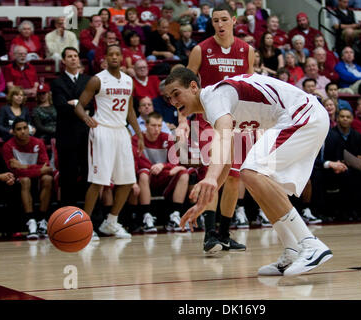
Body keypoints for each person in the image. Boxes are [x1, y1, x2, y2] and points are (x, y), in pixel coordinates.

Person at [166, 68, 333, 276]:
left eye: (176, 94)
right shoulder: (213, 110)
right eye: (169, 98)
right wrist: (204, 202)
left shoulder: (215, 96)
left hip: (301, 115)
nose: (173, 101)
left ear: (193, 87)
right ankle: (292, 249)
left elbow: (224, 138)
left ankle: (310, 244)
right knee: (255, 181)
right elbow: (227, 160)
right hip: (300, 117)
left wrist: (209, 177)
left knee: (250, 172)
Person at [183, 3, 254, 253]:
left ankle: (224, 234)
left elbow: (250, 86)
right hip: (207, 119)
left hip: (236, 120)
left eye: (224, 19)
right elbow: (185, 85)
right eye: (215, 20)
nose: (220, 24)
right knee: (211, 176)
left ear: (234, 20)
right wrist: (183, 120)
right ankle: (209, 234)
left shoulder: (246, 50)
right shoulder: (200, 50)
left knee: (234, 178)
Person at [74, 44, 144, 240]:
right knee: (98, 181)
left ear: (122, 57)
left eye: (117, 54)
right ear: (105, 58)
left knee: (128, 180)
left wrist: (138, 133)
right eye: (110, 54)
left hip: (121, 132)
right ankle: (84, 227)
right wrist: (86, 118)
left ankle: (111, 222)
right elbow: (79, 105)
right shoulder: (97, 79)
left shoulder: (129, 81)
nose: (114, 57)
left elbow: (130, 110)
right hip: (102, 130)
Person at [130, 112, 189, 232]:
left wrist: (163, 165)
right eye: (153, 125)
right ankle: (147, 217)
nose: (156, 129)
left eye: (159, 126)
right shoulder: (136, 139)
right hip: (145, 176)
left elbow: (174, 161)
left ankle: (175, 216)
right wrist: (154, 167)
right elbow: (136, 162)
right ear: (145, 125)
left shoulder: (167, 137)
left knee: (184, 174)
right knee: (143, 173)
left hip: (163, 175)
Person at [51, 47, 92, 209]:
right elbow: (61, 106)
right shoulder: (57, 82)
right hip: (66, 135)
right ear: (63, 61)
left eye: (76, 56)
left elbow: (90, 105)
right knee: (68, 176)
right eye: (70, 56)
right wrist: (80, 105)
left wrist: (74, 103)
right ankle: (68, 215)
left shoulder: (87, 80)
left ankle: (90, 217)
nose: (73, 59)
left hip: (85, 133)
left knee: (89, 175)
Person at [2, 118, 53, 239]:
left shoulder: (38, 143)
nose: (23, 131)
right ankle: (31, 221)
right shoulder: (8, 146)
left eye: (25, 128)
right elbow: (13, 171)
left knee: (48, 179)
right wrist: (38, 169)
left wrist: (24, 166)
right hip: (21, 180)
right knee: (25, 180)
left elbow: (46, 167)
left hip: (36, 177)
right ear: (13, 132)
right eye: (19, 129)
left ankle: (41, 220)